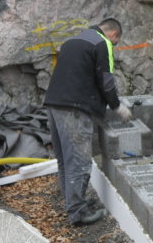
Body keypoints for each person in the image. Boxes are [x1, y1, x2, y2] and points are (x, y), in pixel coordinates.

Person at [44, 18, 133, 226]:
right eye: (116, 43)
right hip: (74, 109)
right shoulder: (103, 44)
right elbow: (106, 81)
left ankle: (71, 201)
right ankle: (78, 213)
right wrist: (116, 106)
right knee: (79, 161)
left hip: (54, 104)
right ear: (114, 35)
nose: (114, 46)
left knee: (65, 159)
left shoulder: (73, 40)